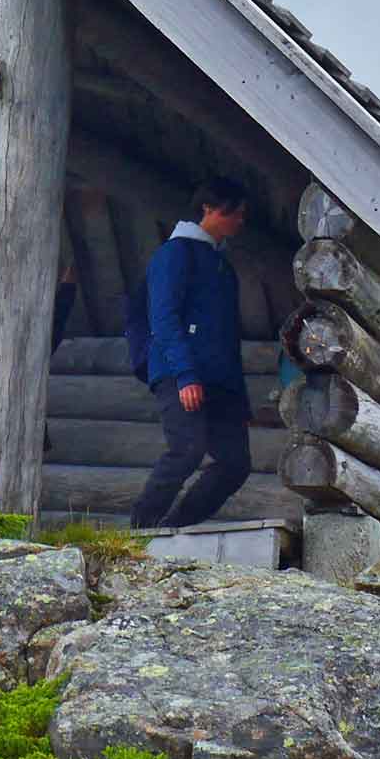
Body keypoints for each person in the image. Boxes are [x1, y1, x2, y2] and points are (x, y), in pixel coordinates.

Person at [129, 177, 252, 530]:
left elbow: (227, 339)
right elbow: (163, 318)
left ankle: (175, 528)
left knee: (235, 464)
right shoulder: (174, 253)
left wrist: (239, 402)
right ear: (209, 208)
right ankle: (141, 530)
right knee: (186, 450)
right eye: (236, 212)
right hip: (178, 373)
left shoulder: (222, 266)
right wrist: (184, 374)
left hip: (221, 381)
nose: (240, 221)